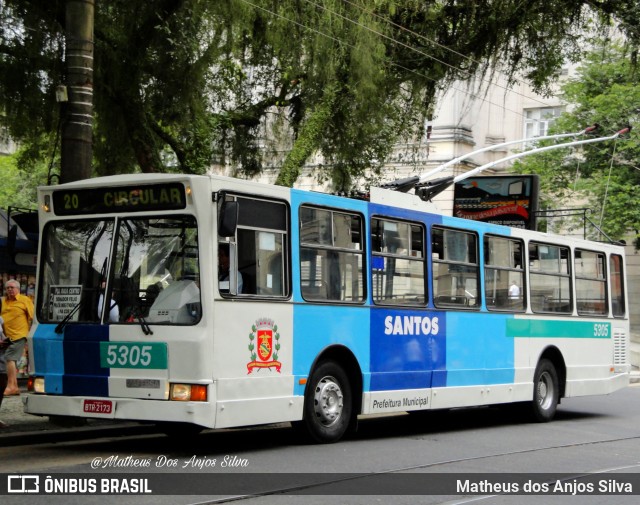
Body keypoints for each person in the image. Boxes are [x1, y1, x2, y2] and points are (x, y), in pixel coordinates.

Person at [1, 280, 33, 396]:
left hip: (19, 335)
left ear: (18, 289)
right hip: (6, 337)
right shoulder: (3, 301)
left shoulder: (25, 300)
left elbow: (32, 317)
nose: (9, 290)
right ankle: (14, 386)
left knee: (9, 357)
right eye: (7, 288)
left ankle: (11, 386)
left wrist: (31, 335)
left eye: (12, 287)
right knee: (9, 360)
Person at [0, 314, 9, 428]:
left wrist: (5, 341)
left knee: (1, 385)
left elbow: (3, 335)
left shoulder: (1, 319)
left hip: (1, 359)